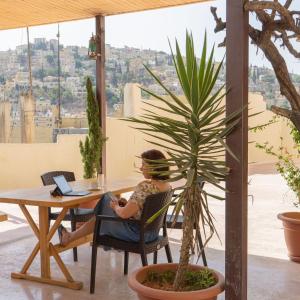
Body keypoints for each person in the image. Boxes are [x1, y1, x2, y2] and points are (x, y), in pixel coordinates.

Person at [58, 149, 171, 246]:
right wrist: (127, 204)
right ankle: (70, 236)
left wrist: (116, 206)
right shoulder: (167, 186)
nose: (141, 168)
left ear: (153, 167)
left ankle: (71, 236)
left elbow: (124, 214)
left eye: (144, 165)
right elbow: (146, 209)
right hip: (152, 233)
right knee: (103, 210)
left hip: (136, 234)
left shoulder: (145, 186)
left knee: (106, 199)